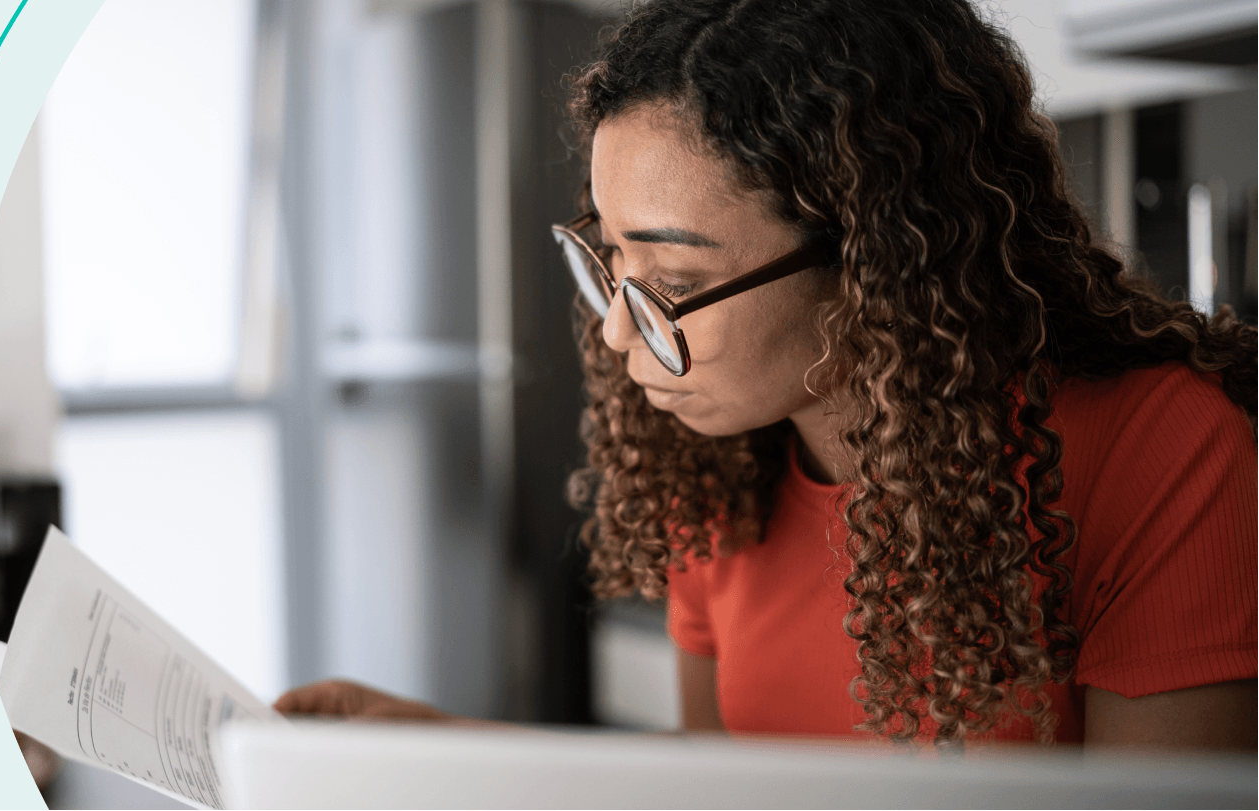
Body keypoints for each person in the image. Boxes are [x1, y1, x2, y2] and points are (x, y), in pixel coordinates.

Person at [276, 0, 1257, 749]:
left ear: (876, 261)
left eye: (674, 280)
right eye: (610, 261)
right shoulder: (715, 468)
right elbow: (719, 798)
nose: (619, 336)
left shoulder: (1163, 458)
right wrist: (440, 759)